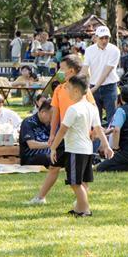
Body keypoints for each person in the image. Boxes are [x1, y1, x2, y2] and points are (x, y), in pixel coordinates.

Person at [27, 54, 96, 206]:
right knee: (54, 166)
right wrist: (52, 135)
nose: (59, 71)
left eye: (62, 69)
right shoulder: (58, 89)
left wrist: (92, 132)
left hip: (79, 136)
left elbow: (92, 110)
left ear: (71, 71)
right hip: (63, 134)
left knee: (82, 173)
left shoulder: (83, 89)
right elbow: (55, 114)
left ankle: (81, 202)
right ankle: (40, 197)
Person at [49, 75, 113, 216]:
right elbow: (98, 129)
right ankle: (79, 208)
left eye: (69, 89)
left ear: (77, 91)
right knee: (83, 181)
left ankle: (84, 210)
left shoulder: (73, 109)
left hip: (75, 150)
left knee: (75, 183)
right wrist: (106, 145)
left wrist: (53, 147)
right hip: (87, 150)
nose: (67, 92)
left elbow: (62, 130)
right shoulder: (92, 108)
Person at [84, 26, 121, 126]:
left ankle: (112, 141)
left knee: (112, 118)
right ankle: (97, 141)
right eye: (101, 38)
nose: (104, 40)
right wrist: (84, 86)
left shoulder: (115, 50)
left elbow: (107, 71)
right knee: (95, 119)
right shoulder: (89, 50)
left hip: (109, 87)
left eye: (106, 38)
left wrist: (95, 87)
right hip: (92, 86)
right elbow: (85, 70)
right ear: (96, 37)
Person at [19, 100, 53, 166]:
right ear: (43, 112)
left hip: (48, 153)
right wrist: (51, 144)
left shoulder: (49, 124)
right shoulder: (28, 122)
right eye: (52, 116)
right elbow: (32, 145)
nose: (53, 118)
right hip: (31, 157)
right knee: (46, 157)